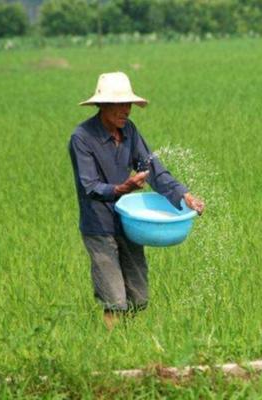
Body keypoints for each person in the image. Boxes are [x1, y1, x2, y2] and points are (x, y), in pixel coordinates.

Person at [68, 72, 205, 329]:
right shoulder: (82, 138)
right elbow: (90, 187)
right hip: (99, 226)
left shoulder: (129, 131)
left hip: (129, 223)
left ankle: (130, 342)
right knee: (114, 300)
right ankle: (112, 350)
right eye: (120, 104)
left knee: (139, 297)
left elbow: (153, 169)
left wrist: (184, 195)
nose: (126, 111)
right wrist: (123, 187)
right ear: (103, 105)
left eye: (128, 104)